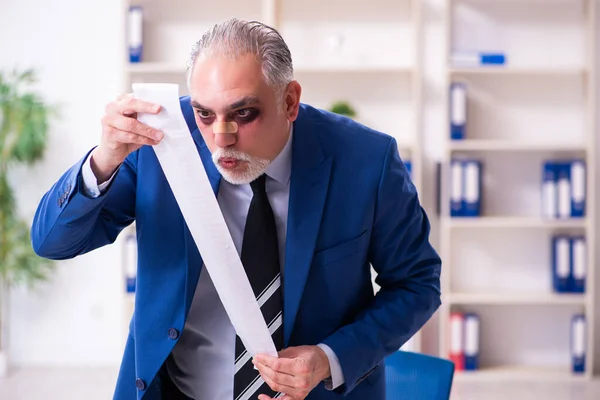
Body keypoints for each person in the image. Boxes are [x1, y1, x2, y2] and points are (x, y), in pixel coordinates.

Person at [31, 18, 441, 400]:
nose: (221, 138)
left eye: (243, 114)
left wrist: (327, 358)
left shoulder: (367, 161)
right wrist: (103, 159)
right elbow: (53, 243)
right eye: (205, 114)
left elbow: (417, 283)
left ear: (290, 101)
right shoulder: (160, 146)